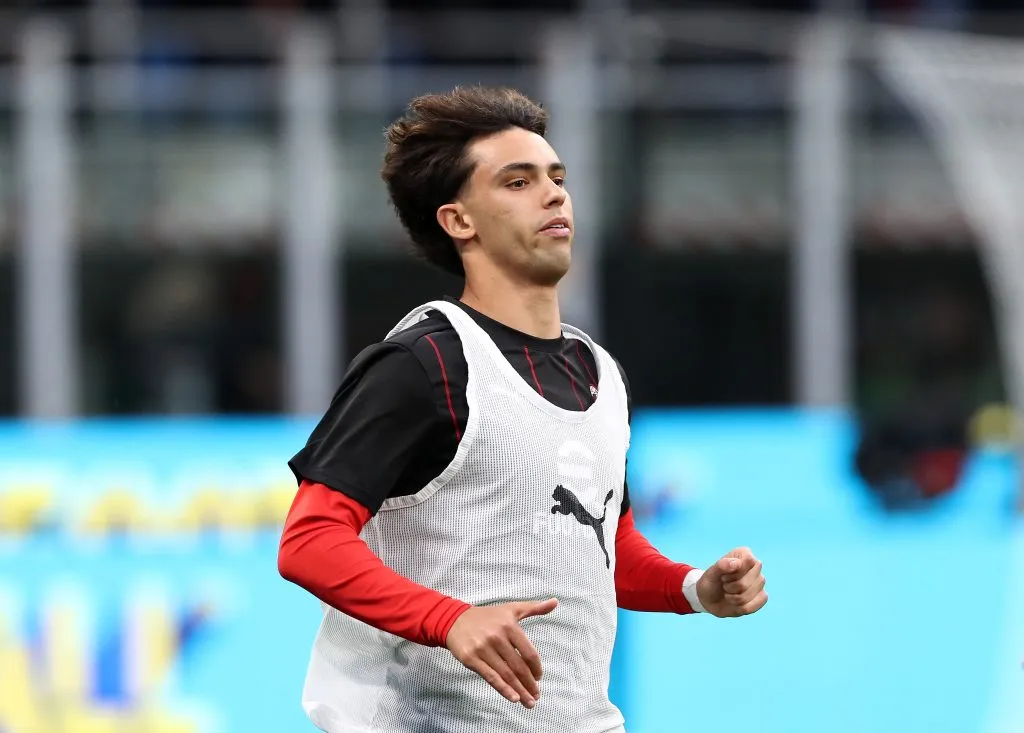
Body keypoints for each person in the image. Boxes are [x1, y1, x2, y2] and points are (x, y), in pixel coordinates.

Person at [278, 85, 768, 733]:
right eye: (518, 181)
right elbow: (309, 541)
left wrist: (692, 588)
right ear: (459, 221)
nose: (554, 194)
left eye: (556, 177)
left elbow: (603, 545)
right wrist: (448, 619)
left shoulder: (602, 373)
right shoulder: (423, 363)